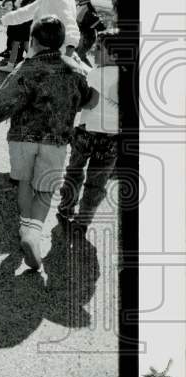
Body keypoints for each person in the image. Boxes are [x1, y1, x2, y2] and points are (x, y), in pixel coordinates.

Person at [0, 16, 93, 270]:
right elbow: (86, 98)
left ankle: (25, 229)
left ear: (32, 40)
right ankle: (34, 233)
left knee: (24, 182)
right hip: (56, 139)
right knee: (44, 188)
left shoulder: (28, 67)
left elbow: (7, 99)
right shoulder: (75, 70)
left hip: (23, 137)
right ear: (61, 42)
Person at [58, 30, 122, 232]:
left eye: (99, 48)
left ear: (115, 54)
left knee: (75, 172)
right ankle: (84, 220)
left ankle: (66, 207)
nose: (94, 52)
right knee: (97, 182)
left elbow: (91, 103)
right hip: (112, 138)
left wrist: (77, 103)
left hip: (88, 133)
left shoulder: (98, 73)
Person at [0, 0, 38, 73]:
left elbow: (25, 11)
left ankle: (11, 65)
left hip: (24, 23)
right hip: (18, 22)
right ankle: (35, 63)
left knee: (17, 43)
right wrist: (5, 1)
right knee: (24, 44)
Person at [74, 0, 105, 64]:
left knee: (79, 56)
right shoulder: (79, 5)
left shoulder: (89, 10)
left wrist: (101, 41)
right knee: (76, 56)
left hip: (86, 39)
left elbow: (100, 26)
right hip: (79, 36)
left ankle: (90, 73)